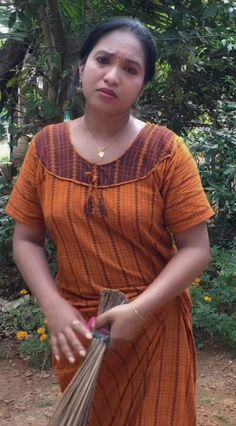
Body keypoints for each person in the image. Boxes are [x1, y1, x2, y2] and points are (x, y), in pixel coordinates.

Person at [6, 17, 214, 425]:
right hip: (81, 329)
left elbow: (196, 249)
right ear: (81, 67)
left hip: (155, 323)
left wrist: (138, 312)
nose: (113, 76)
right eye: (103, 60)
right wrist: (52, 306)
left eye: (131, 69)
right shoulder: (46, 148)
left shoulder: (166, 151)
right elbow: (26, 238)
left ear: (142, 85)